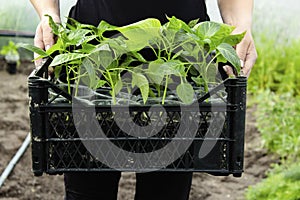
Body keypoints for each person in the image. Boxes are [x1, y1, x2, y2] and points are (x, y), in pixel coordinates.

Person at [29, 1, 257, 200]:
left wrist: (241, 26)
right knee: (88, 188)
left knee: (167, 189)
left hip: (179, 59)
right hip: (92, 53)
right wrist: (49, 13)